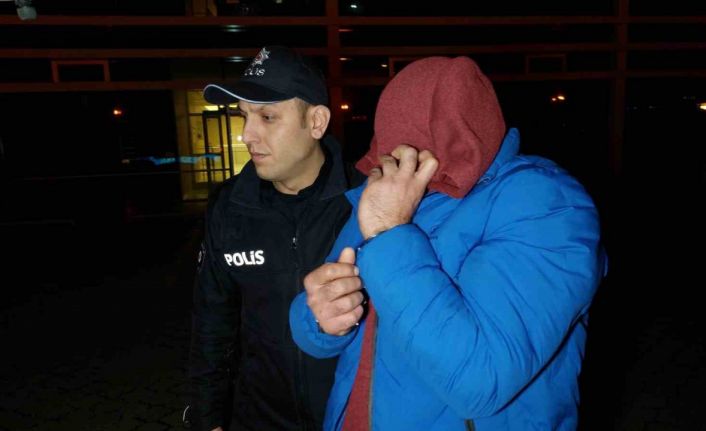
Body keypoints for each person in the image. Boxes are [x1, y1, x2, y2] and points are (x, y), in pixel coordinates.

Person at [289, 56, 608, 430]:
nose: (395, 157)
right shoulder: (387, 191)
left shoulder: (546, 204)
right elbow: (313, 314)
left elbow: (480, 379)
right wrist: (322, 321)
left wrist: (389, 234)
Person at [188, 45, 364, 431]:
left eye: (267, 117)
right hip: (259, 416)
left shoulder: (366, 202)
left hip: (348, 416)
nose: (246, 135)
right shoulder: (229, 207)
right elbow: (212, 323)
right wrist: (207, 418)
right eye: (244, 116)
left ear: (316, 122)